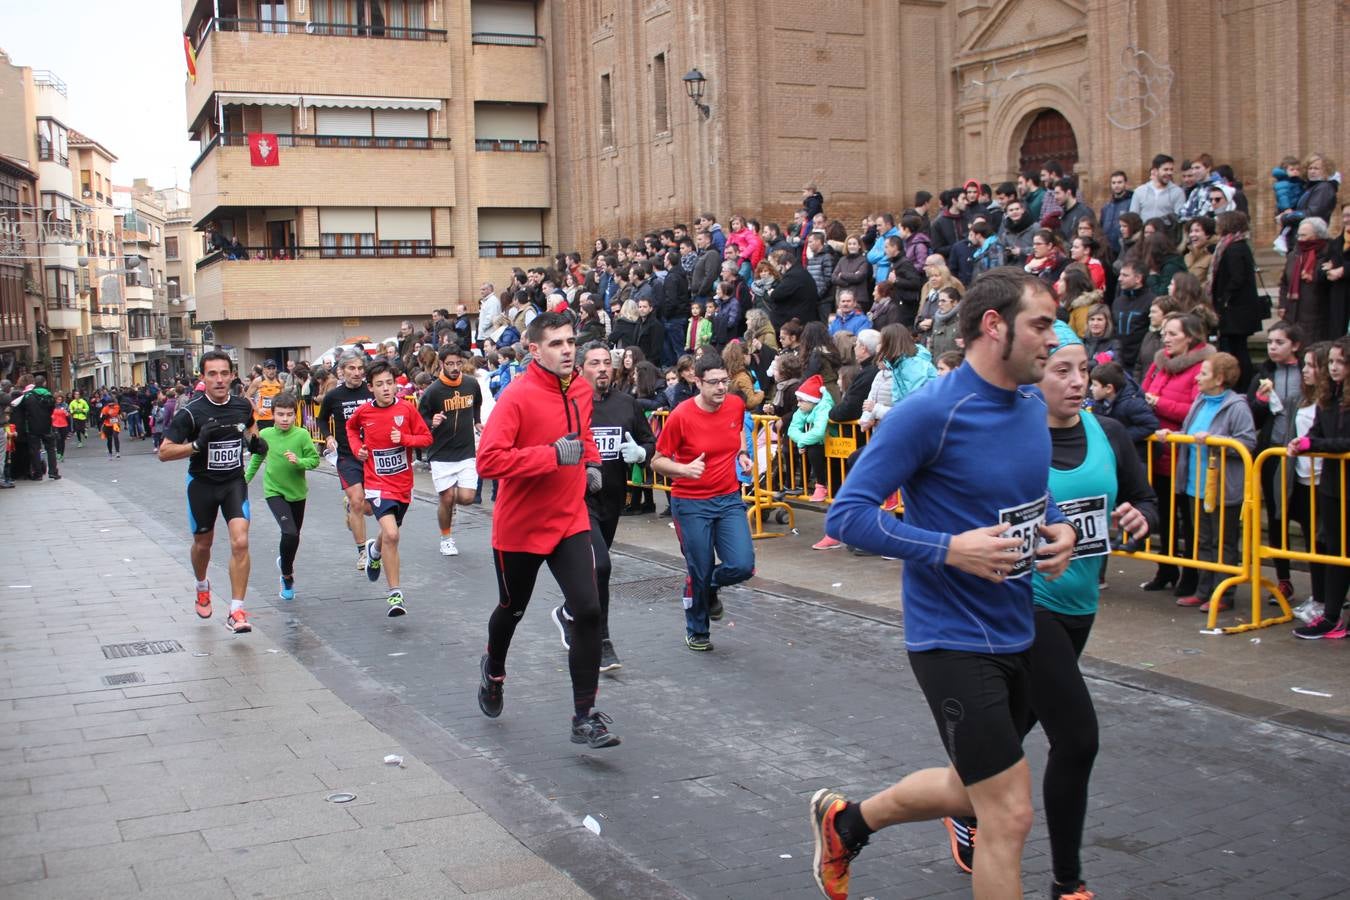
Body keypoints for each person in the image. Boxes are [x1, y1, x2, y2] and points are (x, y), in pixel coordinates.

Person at [811, 269, 1078, 900]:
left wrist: (1059, 528)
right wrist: (948, 548)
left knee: (972, 787)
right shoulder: (929, 411)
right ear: (995, 326)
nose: (1053, 339)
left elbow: (1030, 494)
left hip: (1018, 627)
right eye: (1040, 324)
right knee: (1007, 812)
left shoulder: (1031, 407)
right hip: (951, 640)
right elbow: (846, 515)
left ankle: (845, 823)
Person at [942, 322, 1157, 900]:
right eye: (1062, 369)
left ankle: (865, 819)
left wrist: (1141, 517)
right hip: (1025, 603)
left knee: (1008, 740)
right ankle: (1069, 883)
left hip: (1082, 603)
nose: (1078, 381)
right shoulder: (1012, 436)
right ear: (1034, 376)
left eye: (1084, 369)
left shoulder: (1109, 432)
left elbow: (1144, 497)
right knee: (1078, 738)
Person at [475, 312, 621, 749]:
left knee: (590, 609)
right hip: (520, 527)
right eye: (556, 343)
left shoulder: (579, 386)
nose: (567, 350)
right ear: (534, 350)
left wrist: (590, 461)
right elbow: (489, 462)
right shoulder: (516, 397)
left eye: (570, 342)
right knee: (511, 610)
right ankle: (494, 667)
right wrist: (550, 456)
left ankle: (584, 716)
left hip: (569, 519)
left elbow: (583, 433)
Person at [551, 342, 656, 673]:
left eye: (607, 363)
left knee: (596, 569)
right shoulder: (570, 404)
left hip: (613, 500)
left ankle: (568, 610)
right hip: (579, 499)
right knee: (602, 567)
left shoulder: (628, 404)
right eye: (595, 363)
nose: (603, 369)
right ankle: (603, 640)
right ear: (582, 368)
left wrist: (642, 453)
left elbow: (650, 441)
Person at [651, 352, 757, 652]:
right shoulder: (681, 416)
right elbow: (657, 462)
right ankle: (697, 629)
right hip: (691, 503)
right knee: (700, 566)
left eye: (724, 381)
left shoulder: (735, 405)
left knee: (742, 565)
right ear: (697, 382)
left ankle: (708, 587)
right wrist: (684, 469)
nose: (721, 388)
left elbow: (735, 432)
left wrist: (741, 454)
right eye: (713, 383)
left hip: (728, 498)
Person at [159, 351, 264, 634]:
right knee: (203, 545)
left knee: (240, 542)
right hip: (202, 486)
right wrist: (195, 446)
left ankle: (236, 609)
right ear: (203, 378)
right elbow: (164, 452)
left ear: (232, 376)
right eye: (212, 374)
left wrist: (255, 443)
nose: (219, 380)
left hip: (233, 482)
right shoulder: (191, 412)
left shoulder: (242, 405)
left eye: (224, 373)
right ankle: (202, 585)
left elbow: (250, 427)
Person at [1169, 352, 1257, 613]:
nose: (1197, 377)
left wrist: (1217, 441)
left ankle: (1225, 593)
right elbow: (1189, 433)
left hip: (1223, 488)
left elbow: (1248, 442)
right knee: (1202, 540)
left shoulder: (1237, 406)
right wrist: (1172, 435)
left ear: (1219, 379)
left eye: (1203, 373)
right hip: (1196, 484)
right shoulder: (1200, 401)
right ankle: (1204, 590)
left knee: (1224, 542)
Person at [346, 360, 433, 616]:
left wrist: (405, 439)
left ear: (396, 385)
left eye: (389, 383)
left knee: (389, 533)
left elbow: (426, 438)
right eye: (379, 385)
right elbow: (351, 429)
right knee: (393, 535)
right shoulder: (363, 412)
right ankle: (395, 595)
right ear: (370, 388)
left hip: (403, 485)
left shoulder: (406, 410)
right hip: (376, 483)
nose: (386, 389)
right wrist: (356, 449)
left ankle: (374, 550)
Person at [1139, 312, 1214, 595]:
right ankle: (1165, 567)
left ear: (1191, 337)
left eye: (1173, 334)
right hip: (1158, 452)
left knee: (1188, 519)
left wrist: (1158, 403)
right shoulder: (1159, 364)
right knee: (1165, 514)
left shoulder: (1202, 367)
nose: (1166, 339)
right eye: (1165, 334)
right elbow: (1141, 394)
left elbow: (1195, 410)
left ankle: (1192, 574)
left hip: (1185, 456)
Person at [1287, 335, 1350, 639]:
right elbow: (1316, 432)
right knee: (1336, 551)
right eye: (1333, 362)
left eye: (1341, 362)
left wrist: (1316, 443)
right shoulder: (1328, 398)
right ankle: (1332, 615)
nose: (1335, 368)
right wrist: (1301, 444)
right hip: (1332, 486)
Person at [244, 391, 319, 601]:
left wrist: (299, 461)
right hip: (274, 491)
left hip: (297, 493)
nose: (285, 419)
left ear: (295, 415)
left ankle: (285, 562)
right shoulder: (266, 434)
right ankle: (287, 576)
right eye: (280, 414)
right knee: (289, 533)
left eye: (289, 415)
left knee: (294, 537)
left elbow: (313, 460)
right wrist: (244, 481)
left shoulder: (302, 435)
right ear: (273, 414)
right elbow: (257, 458)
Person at [418, 343, 483, 558]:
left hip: (465, 451)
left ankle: (449, 504)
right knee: (446, 498)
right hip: (441, 452)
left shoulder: (471, 384)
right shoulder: (433, 391)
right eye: (450, 364)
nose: (455, 367)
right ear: (442, 364)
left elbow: (476, 404)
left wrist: (477, 422)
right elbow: (420, 419)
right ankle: (446, 538)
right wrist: (431, 421)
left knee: (466, 498)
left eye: (458, 363)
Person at [317, 352, 374, 569]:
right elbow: (322, 419)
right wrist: (328, 436)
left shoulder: (371, 391)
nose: (357, 373)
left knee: (368, 509)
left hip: (371, 456)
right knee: (358, 500)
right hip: (347, 456)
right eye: (352, 368)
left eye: (360, 368)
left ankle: (350, 508)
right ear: (342, 371)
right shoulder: (334, 396)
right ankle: (362, 553)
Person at [12, 375, 58, 481]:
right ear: (44, 383)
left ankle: (38, 474)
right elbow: (52, 409)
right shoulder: (48, 395)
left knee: (35, 450)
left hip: (32, 427)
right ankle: (53, 472)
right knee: (51, 449)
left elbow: (21, 410)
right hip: (47, 426)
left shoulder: (27, 396)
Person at [247, 359, 285, 427]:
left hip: (275, 417)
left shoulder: (280, 382)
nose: (271, 371)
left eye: (273, 368)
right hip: (262, 418)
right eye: (269, 368)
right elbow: (247, 397)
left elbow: (284, 399)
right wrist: (257, 409)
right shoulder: (258, 381)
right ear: (264, 370)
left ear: (276, 369)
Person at [100, 394, 122, 459]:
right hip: (107, 425)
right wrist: (107, 415)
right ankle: (110, 453)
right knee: (109, 439)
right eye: (110, 405)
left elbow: (120, 413)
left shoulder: (117, 407)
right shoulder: (105, 409)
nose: (112, 406)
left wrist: (120, 416)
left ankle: (117, 452)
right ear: (108, 404)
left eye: (113, 404)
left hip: (115, 424)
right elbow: (101, 418)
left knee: (115, 436)